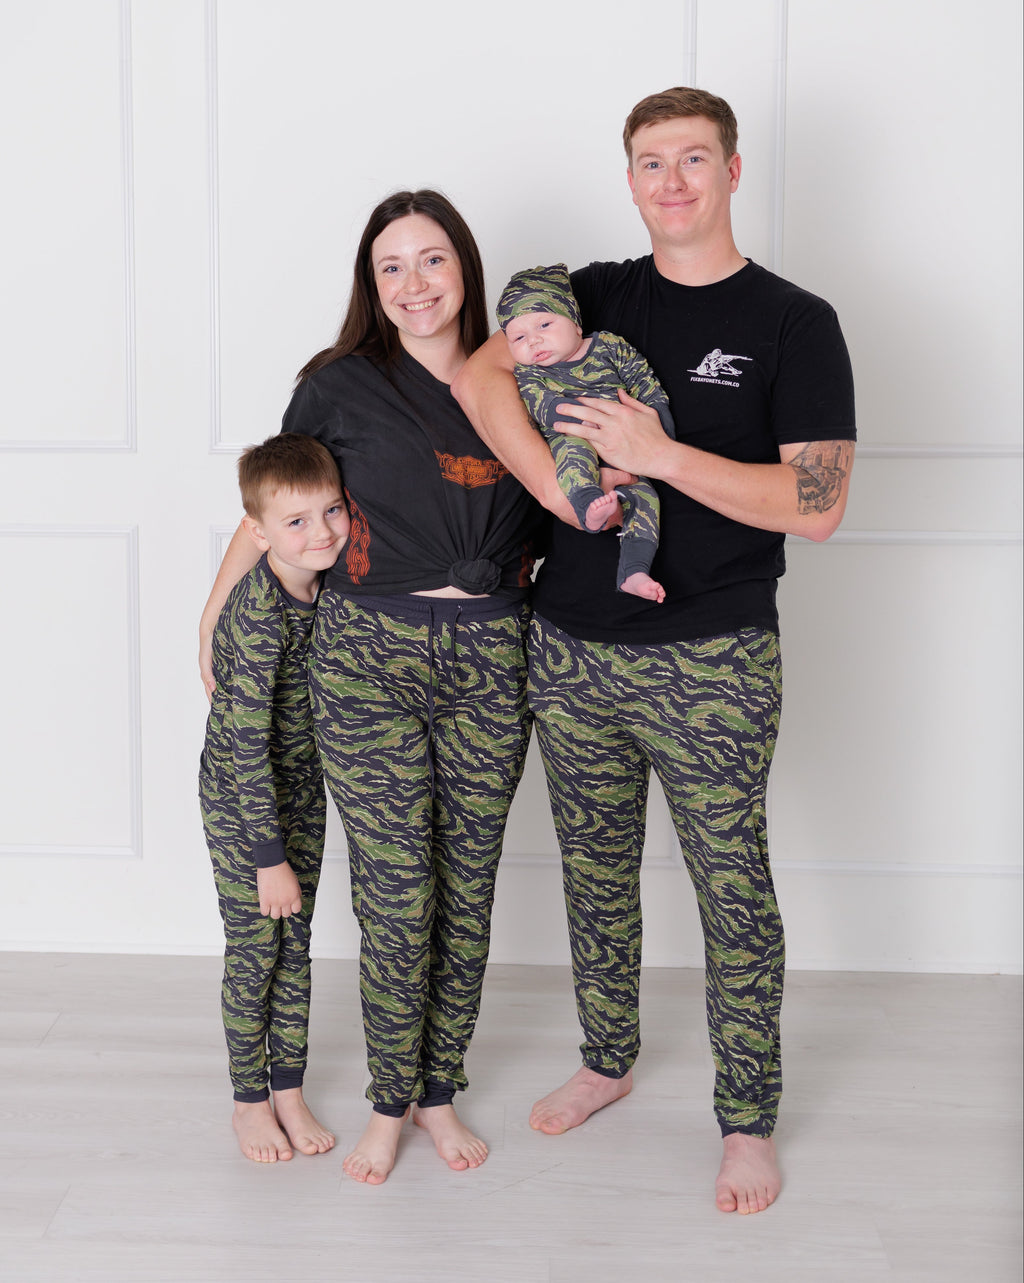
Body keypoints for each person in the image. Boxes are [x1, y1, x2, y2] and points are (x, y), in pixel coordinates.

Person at [453, 87, 856, 1215]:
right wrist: (555, 486)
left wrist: (657, 454)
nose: (670, 180)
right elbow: (481, 375)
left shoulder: (793, 320)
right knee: (594, 871)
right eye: (648, 161)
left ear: (733, 171)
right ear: (627, 179)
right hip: (571, 647)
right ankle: (607, 1056)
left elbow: (815, 504)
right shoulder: (589, 296)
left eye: (692, 158)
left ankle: (746, 1118)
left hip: (715, 656)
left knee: (732, 887)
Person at [199, 189, 546, 1185]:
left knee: (466, 891)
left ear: (465, 268)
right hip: (368, 659)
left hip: (491, 656)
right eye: (391, 267)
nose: (414, 284)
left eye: (432, 260)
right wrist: (216, 608)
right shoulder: (338, 385)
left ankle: (440, 1090)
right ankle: (389, 1103)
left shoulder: (519, 374)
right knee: (398, 893)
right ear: (371, 284)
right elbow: (273, 500)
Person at [200, 432, 349, 1164]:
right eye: (296, 522)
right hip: (243, 803)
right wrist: (267, 859)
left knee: (297, 949)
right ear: (256, 534)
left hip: (301, 794)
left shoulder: (326, 584)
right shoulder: (258, 616)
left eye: (331, 511)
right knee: (257, 950)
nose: (320, 532)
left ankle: (288, 1086)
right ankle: (248, 1100)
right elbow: (240, 747)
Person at [496, 262, 675, 602]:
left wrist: (660, 423)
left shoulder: (609, 346)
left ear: (576, 322)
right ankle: (588, 502)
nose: (534, 340)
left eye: (545, 324)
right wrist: (588, 424)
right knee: (572, 454)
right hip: (573, 435)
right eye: (519, 337)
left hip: (630, 447)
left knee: (647, 498)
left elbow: (642, 379)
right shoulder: (531, 373)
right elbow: (540, 405)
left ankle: (634, 571)